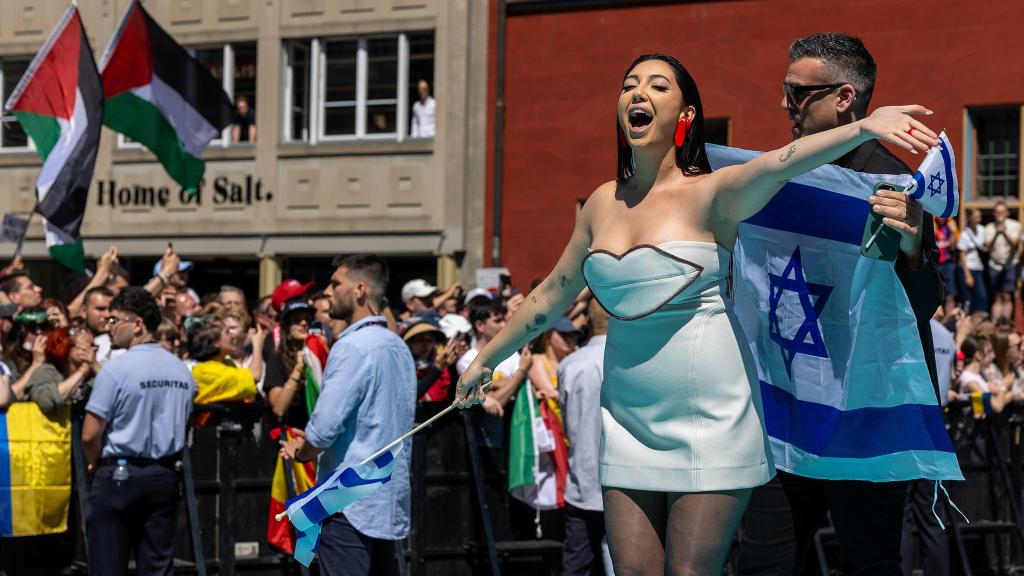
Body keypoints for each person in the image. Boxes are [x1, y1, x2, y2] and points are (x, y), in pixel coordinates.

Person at [453, 50, 936, 574]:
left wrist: (866, 127)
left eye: (658, 86)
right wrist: (487, 357)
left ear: (685, 116)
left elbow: (784, 161)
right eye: (629, 84)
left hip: (712, 416)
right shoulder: (599, 203)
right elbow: (550, 294)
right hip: (627, 420)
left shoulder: (715, 193)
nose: (638, 93)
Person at [734, 33, 946, 575]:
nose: (784, 103)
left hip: (866, 410)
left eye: (797, 92)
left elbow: (923, 306)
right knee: (764, 560)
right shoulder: (777, 175)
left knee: (870, 564)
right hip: (786, 408)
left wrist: (915, 247)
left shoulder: (898, 183)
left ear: (844, 98)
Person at [279, 254, 416, 575]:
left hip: (349, 502)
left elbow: (324, 429)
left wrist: (301, 451)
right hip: (385, 500)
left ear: (359, 290)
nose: (328, 291)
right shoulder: (398, 348)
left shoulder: (352, 346)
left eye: (335, 283)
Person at [81, 287, 195, 576]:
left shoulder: (115, 370)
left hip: (119, 475)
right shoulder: (182, 371)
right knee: (158, 568)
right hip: (165, 475)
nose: (109, 328)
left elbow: (89, 434)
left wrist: (94, 462)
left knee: (108, 566)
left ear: (138, 325)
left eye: (114, 321)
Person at [558, 299, 612, 576]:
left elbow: (567, 421)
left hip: (583, 479)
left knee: (577, 566)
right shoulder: (630, 361)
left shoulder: (569, 364)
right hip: (625, 484)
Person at [23, 325, 98, 416]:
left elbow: (115, 391)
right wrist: (82, 371)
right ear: (66, 346)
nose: (91, 350)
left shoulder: (94, 374)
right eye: (83, 346)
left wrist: (95, 366)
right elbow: (47, 401)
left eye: (93, 346)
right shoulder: (46, 372)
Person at [265, 299, 317, 428]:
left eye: (308, 320)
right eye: (297, 320)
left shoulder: (319, 355)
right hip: (289, 435)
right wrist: (298, 368)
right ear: (287, 327)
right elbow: (279, 408)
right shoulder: (277, 358)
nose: (304, 323)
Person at [401, 315, 466, 402]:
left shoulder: (442, 365)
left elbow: (456, 396)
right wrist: (437, 369)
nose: (426, 345)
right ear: (410, 343)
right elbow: (412, 397)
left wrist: (452, 365)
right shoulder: (402, 368)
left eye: (430, 340)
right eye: (420, 340)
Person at [985, 201, 1020, 321]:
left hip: (1009, 265)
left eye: (1002, 212)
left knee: (1007, 296)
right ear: (994, 213)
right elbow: (987, 248)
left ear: (1007, 213)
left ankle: (1005, 324)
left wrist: (1004, 232)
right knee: (997, 297)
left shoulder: (1014, 225)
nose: (1000, 214)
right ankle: (995, 323)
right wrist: (996, 234)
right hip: (994, 265)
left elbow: (1014, 244)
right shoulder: (989, 227)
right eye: (997, 212)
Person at [958, 208, 988, 313]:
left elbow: (984, 246)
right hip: (969, 268)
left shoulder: (982, 230)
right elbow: (962, 255)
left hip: (979, 267)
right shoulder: (965, 234)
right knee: (968, 298)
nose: (978, 218)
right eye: (976, 216)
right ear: (970, 218)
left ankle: (979, 322)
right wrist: (968, 275)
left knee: (981, 297)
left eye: (979, 216)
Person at [934, 216, 960, 311]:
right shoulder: (933, 225)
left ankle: (949, 321)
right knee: (935, 293)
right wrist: (934, 230)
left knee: (950, 294)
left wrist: (953, 231)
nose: (942, 218)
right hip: (936, 264)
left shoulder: (949, 227)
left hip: (949, 264)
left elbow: (953, 247)